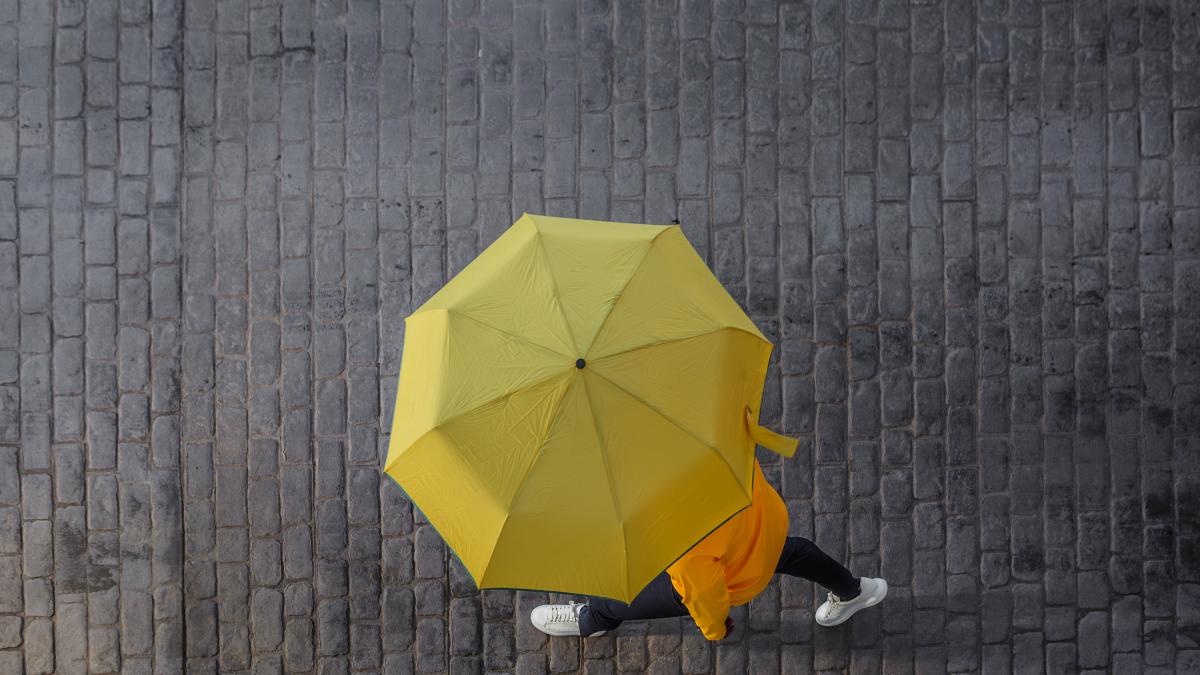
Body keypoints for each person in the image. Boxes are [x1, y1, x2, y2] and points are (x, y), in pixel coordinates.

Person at [530, 460, 887, 639]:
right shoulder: (698, 441)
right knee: (792, 552)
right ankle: (855, 590)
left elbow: (703, 594)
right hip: (762, 521)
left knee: (618, 598)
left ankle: (593, 618)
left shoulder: (684, 547)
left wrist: (716, 629)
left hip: (736, 565)